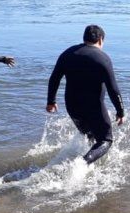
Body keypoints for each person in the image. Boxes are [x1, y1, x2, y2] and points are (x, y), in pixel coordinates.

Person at [46, 25, 125, 164]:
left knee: (90, 136)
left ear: (84, 38)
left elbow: (54, 79)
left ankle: (86, 164)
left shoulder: (68, 53)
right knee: (105, 140)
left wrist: (51, 101)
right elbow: (113, 89)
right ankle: (82, 164)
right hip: (93, 106)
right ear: (100, 40)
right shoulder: (102, 58)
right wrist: (120, 111)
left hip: (72, 105)